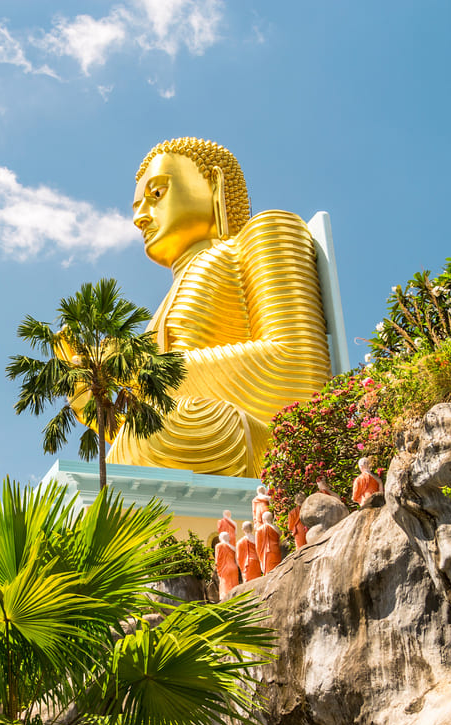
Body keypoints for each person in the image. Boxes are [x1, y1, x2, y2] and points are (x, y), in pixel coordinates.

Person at [104, 137, 332, 476]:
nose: (140, 217)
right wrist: (91, 396)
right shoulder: (162, 307)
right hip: (181, 436)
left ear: (214, 182)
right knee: (149, 432)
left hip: (256, 441)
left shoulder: (262, 235)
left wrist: (143, 370)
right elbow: (150, 413)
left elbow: (299, 364)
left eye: (157, 194)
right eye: (136, 207)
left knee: (169, 426)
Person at [214, 531, 240, 599]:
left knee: (225, 587)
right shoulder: (234, 548)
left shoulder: (218, 546)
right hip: (234, 568)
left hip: (225, 568)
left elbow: (217, 560)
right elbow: (237, 561)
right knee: (234, 586)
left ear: (220, 538)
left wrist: (218, 571)